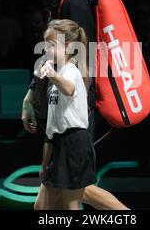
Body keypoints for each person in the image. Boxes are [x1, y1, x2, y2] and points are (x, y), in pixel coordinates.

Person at [14, 0, 128, 210]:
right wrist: (32, 97)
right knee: (50, 202)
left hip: (75, 113)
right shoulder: (58, 3)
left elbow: (81, 58)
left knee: (78, 190)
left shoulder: (73, 2)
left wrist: (69, 105)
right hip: (61, 112)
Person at [35, 19, 95, 209]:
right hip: (58, 145)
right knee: (41, 207)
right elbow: (50, 129)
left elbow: (68, 89)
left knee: (71, 206)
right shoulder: (56, 78)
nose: (46, 49)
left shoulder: (71, 71)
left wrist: (51, 73)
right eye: (45, 45)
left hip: (75, 144)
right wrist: (44, 163)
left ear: (68, 46)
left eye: (51, 45)